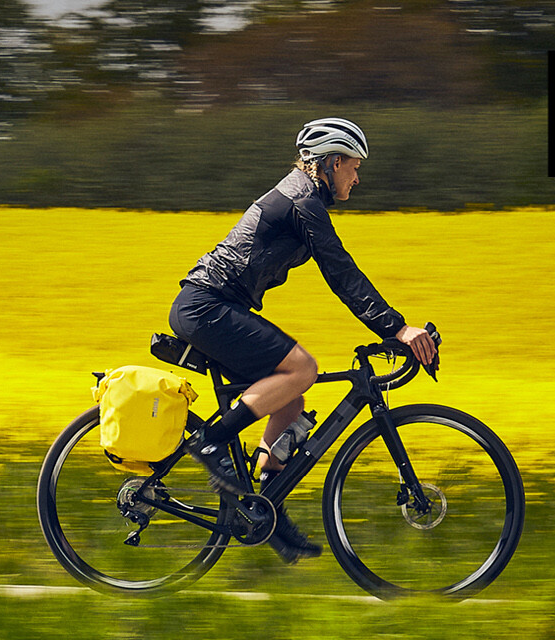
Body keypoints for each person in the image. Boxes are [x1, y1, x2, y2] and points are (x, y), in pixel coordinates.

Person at [169, 117, 438, 564]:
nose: (357, 176)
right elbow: (341, 270)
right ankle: (211, 442)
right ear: (332, 163)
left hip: (215, 309)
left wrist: (390, 326)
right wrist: (396, 327)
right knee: (302, 369)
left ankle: (267, 512)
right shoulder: (302, 202)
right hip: (206, 307)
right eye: (353, 166)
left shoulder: (303, 197)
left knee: (291, 397)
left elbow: (340, 274)